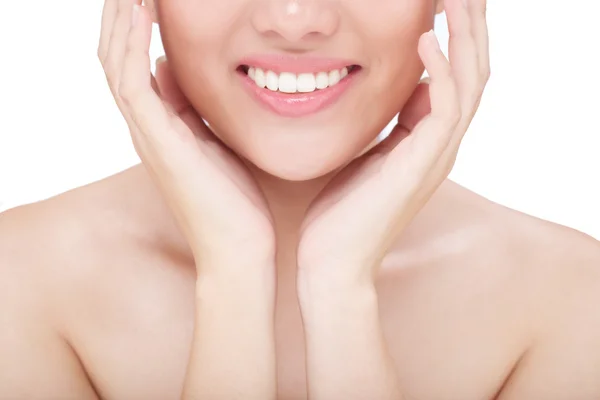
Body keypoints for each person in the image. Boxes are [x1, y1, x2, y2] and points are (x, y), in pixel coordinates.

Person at [1, 0, 599, 398]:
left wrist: (340, 292)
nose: (294, 19)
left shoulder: (572, 305)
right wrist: (233, 277)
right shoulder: (20, 285)